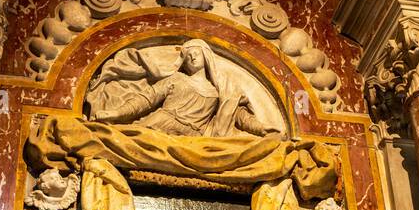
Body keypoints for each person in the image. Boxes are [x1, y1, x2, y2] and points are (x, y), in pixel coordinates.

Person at [86, 38, 278, 137]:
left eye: (197, 54)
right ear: (183, 61)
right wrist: (115, 114)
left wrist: (262, 128)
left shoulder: (220, 90)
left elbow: (240, 116)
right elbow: (146, 100)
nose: (193, 58)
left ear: (206, 57)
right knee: (124, 139)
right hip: (160, 123)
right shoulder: (176, 79)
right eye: (188, 56)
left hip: (194, 135)